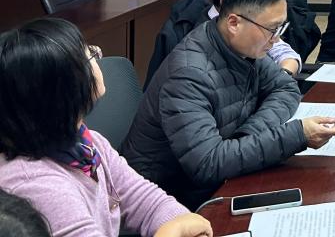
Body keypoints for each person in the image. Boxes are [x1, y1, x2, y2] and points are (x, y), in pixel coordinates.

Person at [122, 0, 335, 209]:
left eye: (281, 28)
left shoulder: (242, 47)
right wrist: (296, 135)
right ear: (234, 23)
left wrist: (247, 136)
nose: (276, 40)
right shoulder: (189, 74)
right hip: (164, 199)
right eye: (272, 29)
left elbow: (286, 88)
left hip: (219, 181)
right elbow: (207, 164)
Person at [0, 18, 212, 237]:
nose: (97, 58)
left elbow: (145, 200)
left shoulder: (86, 142)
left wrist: (183, 224)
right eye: (90, 55)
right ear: (61, 89)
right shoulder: (36, 185)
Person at [207, 0, 302, 74]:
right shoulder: (203, 47)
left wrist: (283, 76)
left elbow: (285, 55)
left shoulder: (258, 28)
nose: (275, 38)